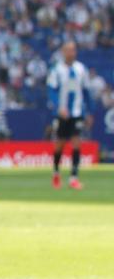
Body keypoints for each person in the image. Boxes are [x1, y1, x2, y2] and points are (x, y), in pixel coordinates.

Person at [47, 40, 90, 189]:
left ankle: (73, 177)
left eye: (73, 50)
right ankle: (56, 173)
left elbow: (86, 91)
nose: (70, 53)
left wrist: (89, 111)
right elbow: (51, 90)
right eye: (67, 50)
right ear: (63, 52)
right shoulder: (56, 70)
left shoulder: (81, 69)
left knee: (77, 141)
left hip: (77, 112)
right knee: (59, 144)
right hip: (62, 113)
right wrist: (59, 107)